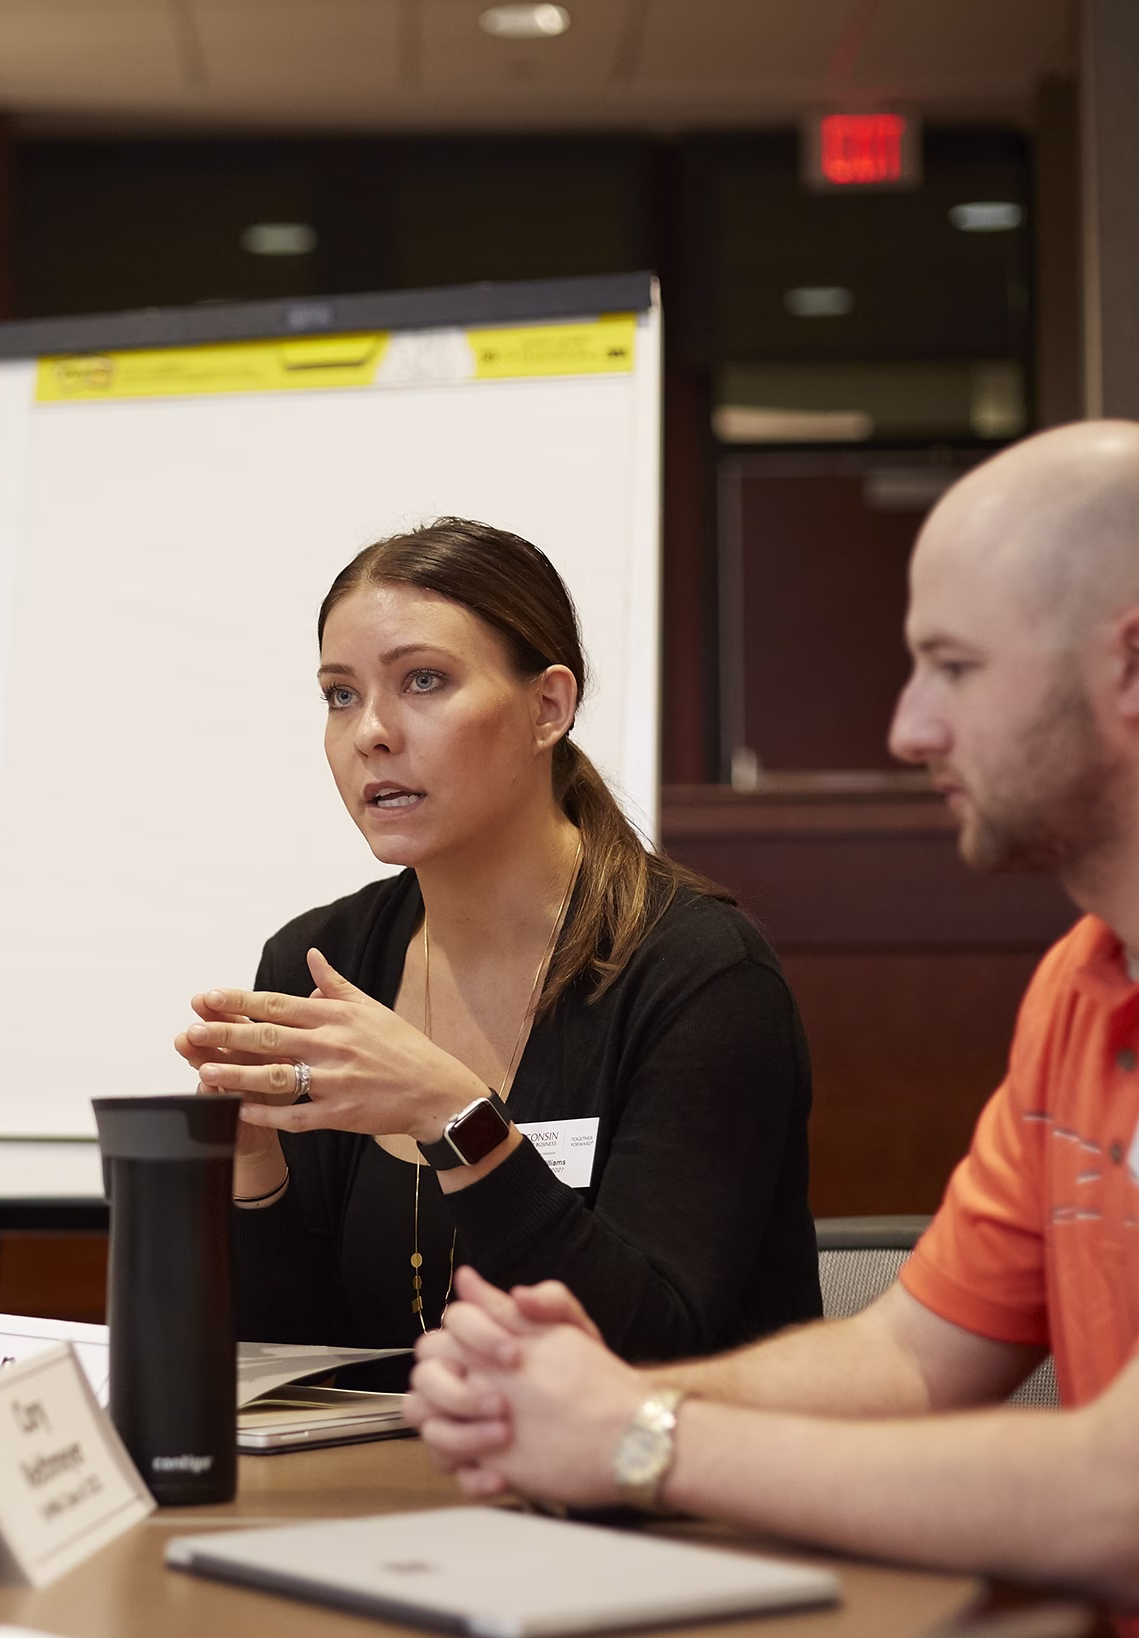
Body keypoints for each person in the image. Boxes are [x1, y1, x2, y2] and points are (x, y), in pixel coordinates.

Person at [403, 422, 1139, 1613]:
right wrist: (558, 1392)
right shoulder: (1082, 983)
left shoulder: (695, 965)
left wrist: (641, 1433)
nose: (910, 729)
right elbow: (905, 1357)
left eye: (954, 666)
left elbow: (1121, 1496)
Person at [175, 519, 818, 1368]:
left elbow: (648, 1341)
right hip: (388, 1488)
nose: (371, 731)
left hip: (653, 1484)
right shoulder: (319, 960)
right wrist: (253, 1169)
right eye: (340, 694)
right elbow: (302, 1367)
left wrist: (456, 1119)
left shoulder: (697, 974)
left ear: (548, 706)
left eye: (425, 681)